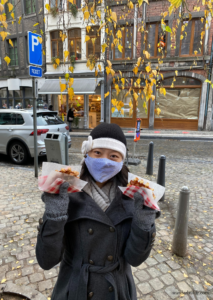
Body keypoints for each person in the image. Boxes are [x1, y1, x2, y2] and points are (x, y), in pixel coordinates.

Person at [36, 123, 160, 300]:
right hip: (76, 287)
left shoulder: (135, 197)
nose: (104, 160)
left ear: (122, 160)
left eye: (113, 156)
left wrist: (145, 222)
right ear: (87, 154)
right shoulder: (65, 191)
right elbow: (46, 260)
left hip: (117, 289)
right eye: (98, 153)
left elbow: (135, 259)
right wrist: (54, 215)